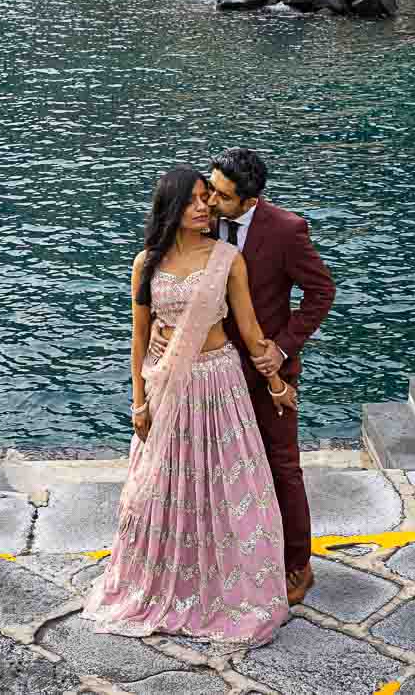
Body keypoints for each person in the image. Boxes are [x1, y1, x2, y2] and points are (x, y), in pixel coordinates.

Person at [82, 166, 297, 647]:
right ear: (171, 208)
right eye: (195, 200)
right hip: (166, 387)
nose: (205, 208)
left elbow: (250, 329)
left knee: (227, 488)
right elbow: (139, 336)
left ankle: (229, 591)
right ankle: (164, 585)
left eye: (208, 198)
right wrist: (138, 402)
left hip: (219, 384)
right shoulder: (146, 264)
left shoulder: (227, 259)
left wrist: (276, 381)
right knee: (161, 488)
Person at [152, 148, 336, 606]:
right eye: (209, 188)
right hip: (206, 369)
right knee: (213, 471)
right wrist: (163, 325)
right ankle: (231, 561)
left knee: (281, 467)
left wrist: (283, 347)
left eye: (222, 195)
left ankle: (298, 564)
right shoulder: (200, 218)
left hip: (261, 369)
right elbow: (176, 276)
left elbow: (321, 292)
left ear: (250, 202)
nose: (210, 200)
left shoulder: (288, 231)